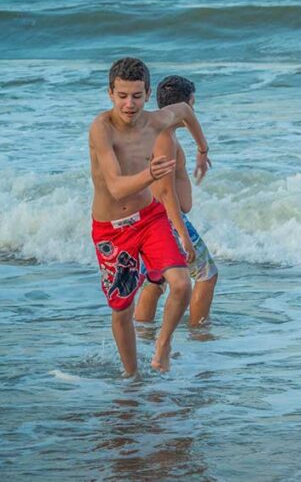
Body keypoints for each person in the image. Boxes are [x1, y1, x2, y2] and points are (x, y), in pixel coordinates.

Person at [89, 57, 211, 374]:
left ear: (146, 94)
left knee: (182, 284)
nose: (130, 104)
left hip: (149, 218)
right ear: (110, 94)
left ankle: (163, 345)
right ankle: (132, 377)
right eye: (122, 96)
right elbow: (116, 187)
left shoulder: (156, 121)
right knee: (121, 310)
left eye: (137, 96)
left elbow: (184, 111)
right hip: (112, 230)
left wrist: (202, 148)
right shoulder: (102, 129)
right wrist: (151, 174)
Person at [134, 75, 219, 327]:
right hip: (167, 218)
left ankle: (142, 331)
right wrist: (182, 234)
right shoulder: (164, 139)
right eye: (193, 104)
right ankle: (199, 331)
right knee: (206, 274)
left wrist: (202, 151)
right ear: (184, 104)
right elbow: (166, 192)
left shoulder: (160, 128)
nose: (193, 111)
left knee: (156, 278)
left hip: (151, 217)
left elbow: (191, 119)